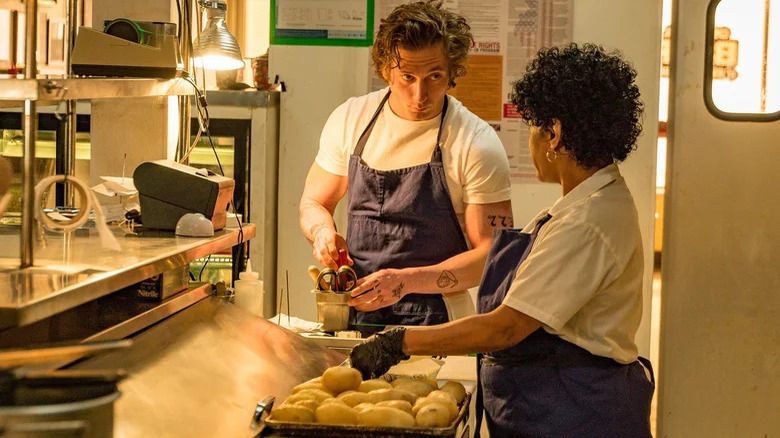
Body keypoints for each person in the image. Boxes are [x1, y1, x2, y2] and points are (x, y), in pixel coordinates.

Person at [349, 43, 655, 437]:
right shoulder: (587, 203)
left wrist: (398, 342)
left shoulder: (585, 222)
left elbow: (505, 328)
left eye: (532, 125)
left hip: (573, 413)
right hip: (555, 407)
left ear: (554, 134)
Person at [299, 0, 513, 335]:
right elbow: (314, 203)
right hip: (356, 316)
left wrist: (406, 282)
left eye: (435, 76)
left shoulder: (475, 142)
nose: (420, 94)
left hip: (438, 323)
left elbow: (492, 255)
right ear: (385, 69)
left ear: (453, 70)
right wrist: (322, 232)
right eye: (407, 77)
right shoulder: (351, 120)